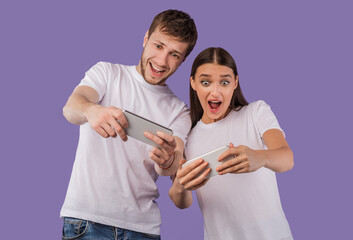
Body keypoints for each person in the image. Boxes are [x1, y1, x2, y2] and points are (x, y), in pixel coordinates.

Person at [61, 10, 197, 239]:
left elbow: (172, 164)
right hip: (87, 221)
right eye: (158, 46)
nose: (162, 61)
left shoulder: (180, 111)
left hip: (142, 229)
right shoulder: (107, 73)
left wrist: (168, 161)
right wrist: (91, 110)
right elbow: (71, 108)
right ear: (145, 39)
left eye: (174, 54)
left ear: (183, 60)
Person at [169, 47, 294, 240]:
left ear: (235, 82)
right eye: (205, 82)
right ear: (193, 83)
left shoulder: (255, 113)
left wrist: (259, 158)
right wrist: (180, 186)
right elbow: (182, 202)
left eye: (225, 82)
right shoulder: (187, 137)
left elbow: (286, 158)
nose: (215, 91)